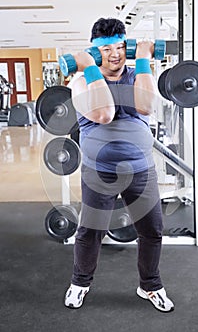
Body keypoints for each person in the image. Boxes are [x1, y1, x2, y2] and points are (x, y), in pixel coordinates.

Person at [64, 17, 174, 313]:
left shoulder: (137, 73)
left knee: (153, 229)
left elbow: (146, 106)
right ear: (96, 51)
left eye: (121, 46)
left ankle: (150, 285)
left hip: (141, 169)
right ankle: (80, 282)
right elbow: (103, 113)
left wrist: (143, 59)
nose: (115, 54)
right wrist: (88, 66)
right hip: (99, 172)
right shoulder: (80, 81)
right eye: (107, 49)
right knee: (91, 230)